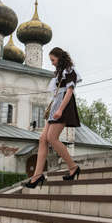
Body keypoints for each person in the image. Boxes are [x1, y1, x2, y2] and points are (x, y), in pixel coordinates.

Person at [25, 47, 82, 188]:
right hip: (56, 105)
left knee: (52, 138)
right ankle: (37, 176)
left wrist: (61, 110)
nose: (51, 63)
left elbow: (69, 91)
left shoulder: (70, 70)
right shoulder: (59, 73)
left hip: (64, 105)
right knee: (42, 139)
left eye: (53, 60)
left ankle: (73, 167)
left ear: (60, 58)